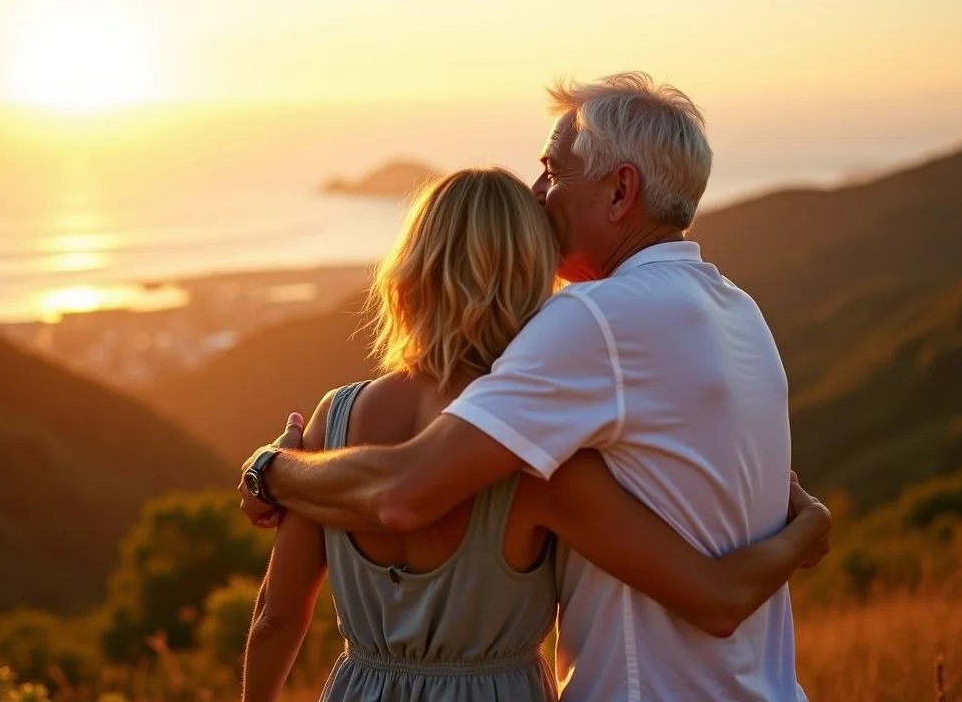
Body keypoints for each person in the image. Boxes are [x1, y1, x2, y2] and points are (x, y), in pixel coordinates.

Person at [239, 161, 828, 700]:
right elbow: (715, 596)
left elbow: (276, 618)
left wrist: (270, 470)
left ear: (410, 272)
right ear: (533, 281)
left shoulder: (330, 421)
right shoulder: (541, 463)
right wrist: (804, 532)